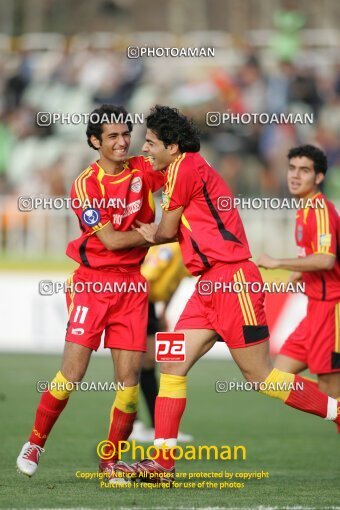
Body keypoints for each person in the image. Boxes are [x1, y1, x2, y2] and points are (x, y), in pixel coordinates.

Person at [132, 106, 340, 482]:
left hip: (232, 281)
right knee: (171, 363)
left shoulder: (184, 169)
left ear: (172, 146)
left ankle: (337, 411)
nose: (144, 149)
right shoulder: (180, 167)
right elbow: (141, 174)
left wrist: (142, 230)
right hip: (206, 286)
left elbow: (164, 232)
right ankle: (162, 465)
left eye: (150, 143)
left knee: (260, 377)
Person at [16, 104, 164, 482]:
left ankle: (110, 462)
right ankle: (35, 442)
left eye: (125, 135)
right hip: (93, 284)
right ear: (94, 141)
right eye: (112, 136)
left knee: (129, 386)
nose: (121, 142)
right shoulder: (85, 184)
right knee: (73, 373)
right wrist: (155, 233)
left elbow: (181, 173)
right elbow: (112, 241)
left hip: (132, 286)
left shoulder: (143, 170)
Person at [257, 145, 340, 431]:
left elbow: (326, 259)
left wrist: (279, 261)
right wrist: (299, 272)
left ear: (318, 177)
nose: (295, 175)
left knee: (332, 396)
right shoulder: (305, 208)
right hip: (314, 309)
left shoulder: (319, 210)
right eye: (292, 168)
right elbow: (319, 255)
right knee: (274, 377)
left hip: (332, 310)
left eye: (304, 170)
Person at [130, 243, 193, 442]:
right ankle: (134, 424)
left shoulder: (187, 251)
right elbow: (146, 276)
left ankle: (159, 428)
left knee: (147, 365)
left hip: (148, 304)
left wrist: (164, 311)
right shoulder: (171, 249)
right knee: (130, 363)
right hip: (136, 300)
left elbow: (177, 282)